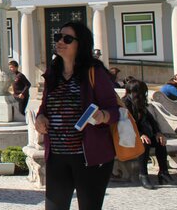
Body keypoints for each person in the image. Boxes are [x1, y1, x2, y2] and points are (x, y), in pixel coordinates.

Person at [35, 21, 120, 210]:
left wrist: (102, 116)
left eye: (67, 39)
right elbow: (45, 107)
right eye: (58, 37)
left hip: (89, 157)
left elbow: (114, 111)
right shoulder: (52, 73)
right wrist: (40, 118)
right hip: (57, 156)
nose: (60, 41)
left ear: (80, 43)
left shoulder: (94, 72)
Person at [123, 79, 177, 189]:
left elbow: (151, 119)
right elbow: (125, 124)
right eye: (142, 92)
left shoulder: (140, 103)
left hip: (142, 135)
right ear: (133, 92)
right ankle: (143, 175)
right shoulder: (125, 104)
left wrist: (158, 133)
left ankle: (163, 173)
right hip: (127, 136)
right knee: (144, 144)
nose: (144, 95)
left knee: (160, 142)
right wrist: (140, 135)